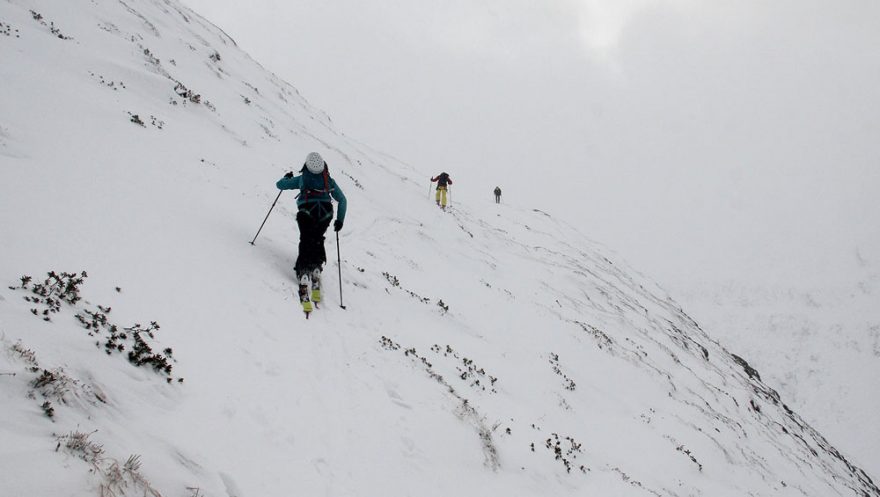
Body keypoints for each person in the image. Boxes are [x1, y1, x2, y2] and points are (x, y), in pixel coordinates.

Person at [276, 152, 347, 315]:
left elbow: (280, 185)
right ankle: (316, 266)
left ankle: (303, 271)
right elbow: (343, 200)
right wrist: (340, 220)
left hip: (306, 212)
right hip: (326, 214)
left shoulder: (302, 179)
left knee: (306, 238)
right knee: (317, 238)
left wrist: (285, 178)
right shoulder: (328, 180)